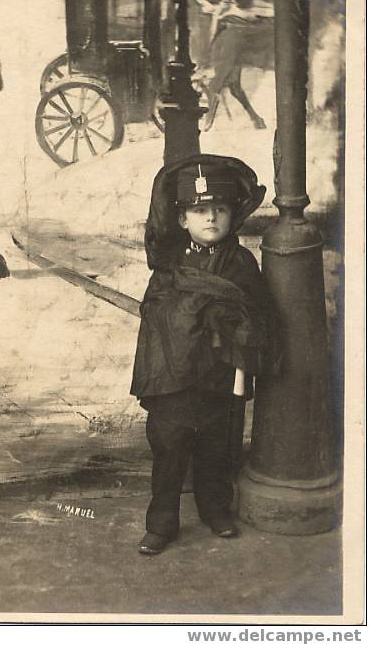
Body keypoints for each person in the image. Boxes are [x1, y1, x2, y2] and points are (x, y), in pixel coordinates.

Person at [130, 153, 279, 555]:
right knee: (169, 447)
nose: (210, 218)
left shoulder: (242, 263)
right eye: (199, 210)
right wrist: (196, 314)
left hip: (219, 373)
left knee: (218, 446)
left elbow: (255, 314)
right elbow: (156, 313)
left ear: (233, 215)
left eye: (219, 209)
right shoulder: (170, 264)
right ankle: (162, 523)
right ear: (182, 220)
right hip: (174, 374)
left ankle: (215, 509)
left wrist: (232, 334)